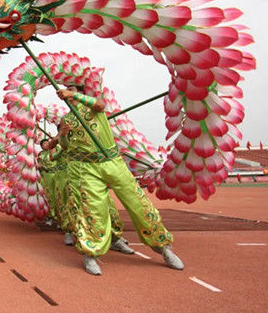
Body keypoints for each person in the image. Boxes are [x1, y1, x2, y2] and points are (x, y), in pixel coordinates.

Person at [57, 84, 183, 275]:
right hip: (87, 167)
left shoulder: (93, 106)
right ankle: (90, 253)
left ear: (82, 93)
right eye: (67, 90)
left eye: (74, 90)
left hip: (112, 162)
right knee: (93, 209)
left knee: (138, 203)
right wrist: (63, 135)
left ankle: (163, 247)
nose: (69, 93)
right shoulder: (66, 119)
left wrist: (74, 95)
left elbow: (100, 105)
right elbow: (66, 147)